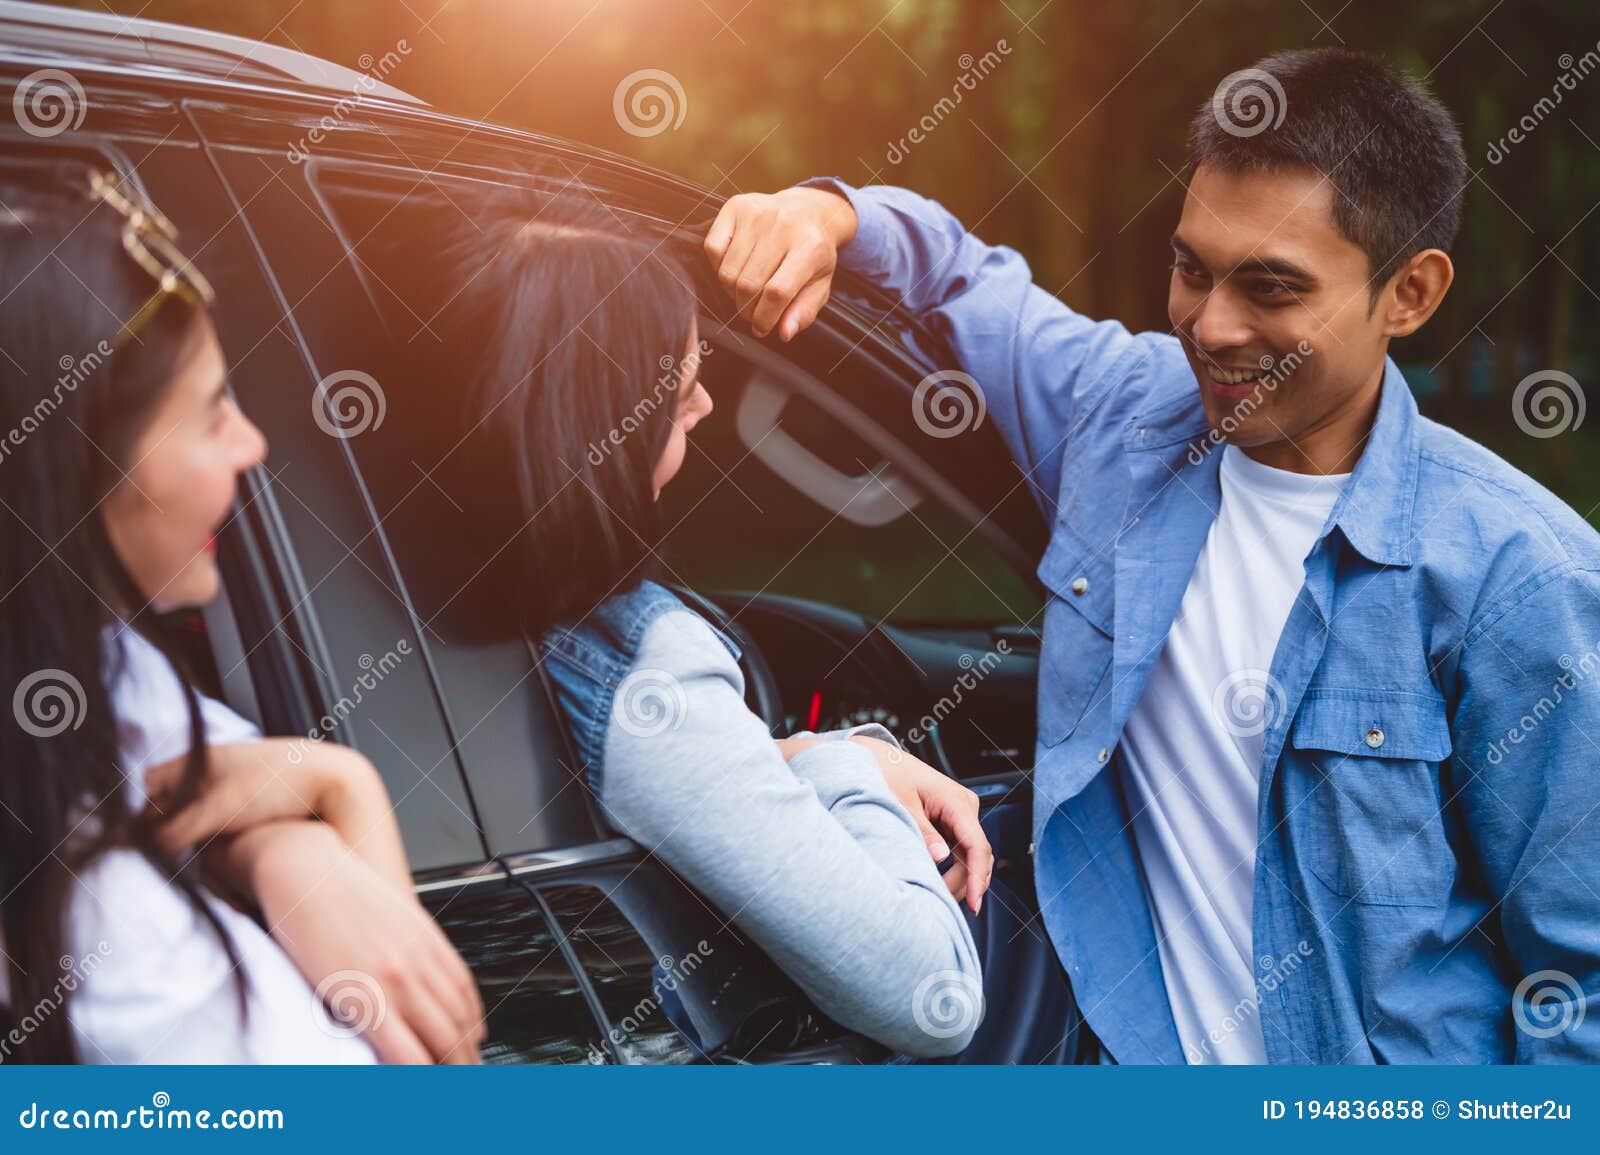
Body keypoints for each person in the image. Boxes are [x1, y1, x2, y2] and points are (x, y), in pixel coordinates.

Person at [705, 47, 1600, 1063]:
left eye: (1269, 289)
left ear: (1411, 293)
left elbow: (1584, 983)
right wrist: (823, 214)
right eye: (1190, 269)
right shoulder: (1117, 420)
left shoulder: (1518, 578)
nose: (1209, 327)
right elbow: (955, 275)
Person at [439, 201, 988, 1058]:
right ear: (602, 414)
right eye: (679, 380)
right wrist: (856, 764)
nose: (700, 402)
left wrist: (797, 754)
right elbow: (936, 998)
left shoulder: (445, 585)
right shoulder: (640, 663)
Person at [0, 168, 483, 1063]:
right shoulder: (121, 952)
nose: (254, 444)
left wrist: (277, 849)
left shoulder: (91, 669)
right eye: (212, 410)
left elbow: (199, 782)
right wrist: (350, 794)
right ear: (77, 469)